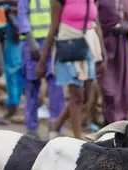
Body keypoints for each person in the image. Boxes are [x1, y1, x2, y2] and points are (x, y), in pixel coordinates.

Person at [36, 0, 107, 139]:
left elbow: (96, 25)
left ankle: (57, 123)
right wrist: (42, 61)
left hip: (87, 49)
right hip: (68, 48)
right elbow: (53, 29)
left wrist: (103, 55)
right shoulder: (60, 2)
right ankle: (78, 137)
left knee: (87, 96)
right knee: (76, 96)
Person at [17, 0, 66, 138]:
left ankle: (56, 127)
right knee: (32, 86)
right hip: (32, 44)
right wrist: (31, 42)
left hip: (52, 41)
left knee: (56, 86)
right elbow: (23, 14)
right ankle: (31, 128)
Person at [98, 0, 128, 123]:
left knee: (125, 89)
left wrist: (127, 28)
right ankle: (110, 125)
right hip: (104, 49)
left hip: (124, 51)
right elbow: (94, 21)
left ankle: (121, 126)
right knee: (109, 90)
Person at [4, 7, 26, 121]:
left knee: (13, 71)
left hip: (17, 34)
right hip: (18, 32)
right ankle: (13, 104)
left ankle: (13, 105)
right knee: (16, 71)